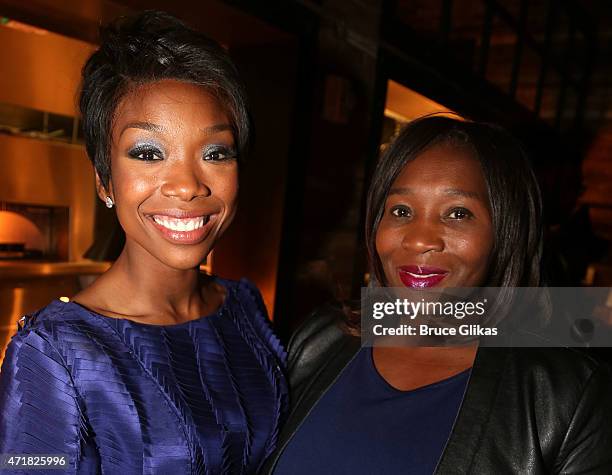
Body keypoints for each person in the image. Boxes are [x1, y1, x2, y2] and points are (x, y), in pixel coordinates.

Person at [0, 11, 286, 474]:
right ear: (104, 181)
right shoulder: (55, 353)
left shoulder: (244, 307)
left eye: (215, 153)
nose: (188, 185)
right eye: (148, 153)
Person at [263, 116, 612, 474]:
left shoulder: (569, 400)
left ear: (505, 233)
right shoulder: (321, 339)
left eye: (458, 213)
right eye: (401, 211)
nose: (419, 239)